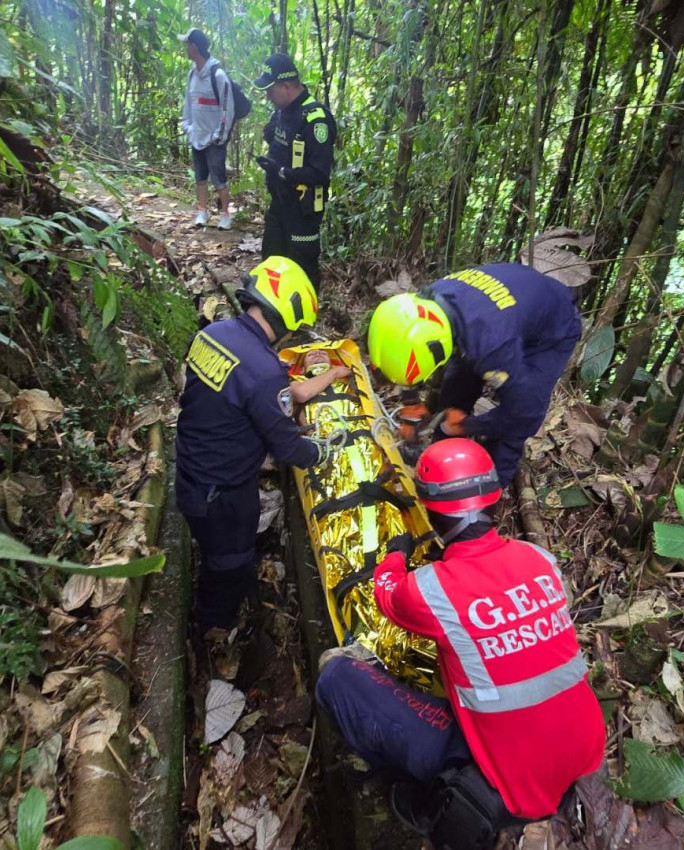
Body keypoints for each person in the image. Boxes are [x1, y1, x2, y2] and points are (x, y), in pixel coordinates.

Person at [315, 439, 605, 848]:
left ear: (429, 512)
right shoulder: (539, 559)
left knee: (336, 676)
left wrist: (394, 555)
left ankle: (423, 794)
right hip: (585, 751)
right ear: (494, 502)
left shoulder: (433, 590)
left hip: (514, 790)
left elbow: (387, 593)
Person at [176, 257, 336, 632]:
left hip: (190, 471)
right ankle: (215, 624)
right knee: (230, 565)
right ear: (285, 319)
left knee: (217, 552)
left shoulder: (211, 334)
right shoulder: (264, 372)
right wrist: (323, 450)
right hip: (223, 495)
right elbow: (289, 451)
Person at [367, 264, 582, 486]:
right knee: (456, 387)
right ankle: (440, 461)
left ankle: (490, 489)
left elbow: (525, 414)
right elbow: (405, 350)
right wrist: (411, 404)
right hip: (502, 309)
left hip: (552, 329)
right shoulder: (424, 306)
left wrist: (469, 425)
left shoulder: (492, 346)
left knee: (514, 422)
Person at [253, 53, 336, 290]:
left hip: (303, 210)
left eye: (271, 90)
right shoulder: (280, 112)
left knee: (302, 271)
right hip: (279, 204)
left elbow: (320, 174)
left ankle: (305, 323)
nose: (268, 96)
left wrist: (282, 172)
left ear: (286, 86)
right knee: (270, 265)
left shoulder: (315, 119)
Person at [179, 28, 234, 229]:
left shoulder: (218, 75)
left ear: (194, 47)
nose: (185, 48)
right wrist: (187, 125)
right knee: (200, 177)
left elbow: (227, 108)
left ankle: (226, 214)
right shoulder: (191, 74)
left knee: (219, 178)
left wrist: (219, 135)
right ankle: (202, 211)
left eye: (187, 44)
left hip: (214, 138)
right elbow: (189, 103)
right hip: (197, 135)